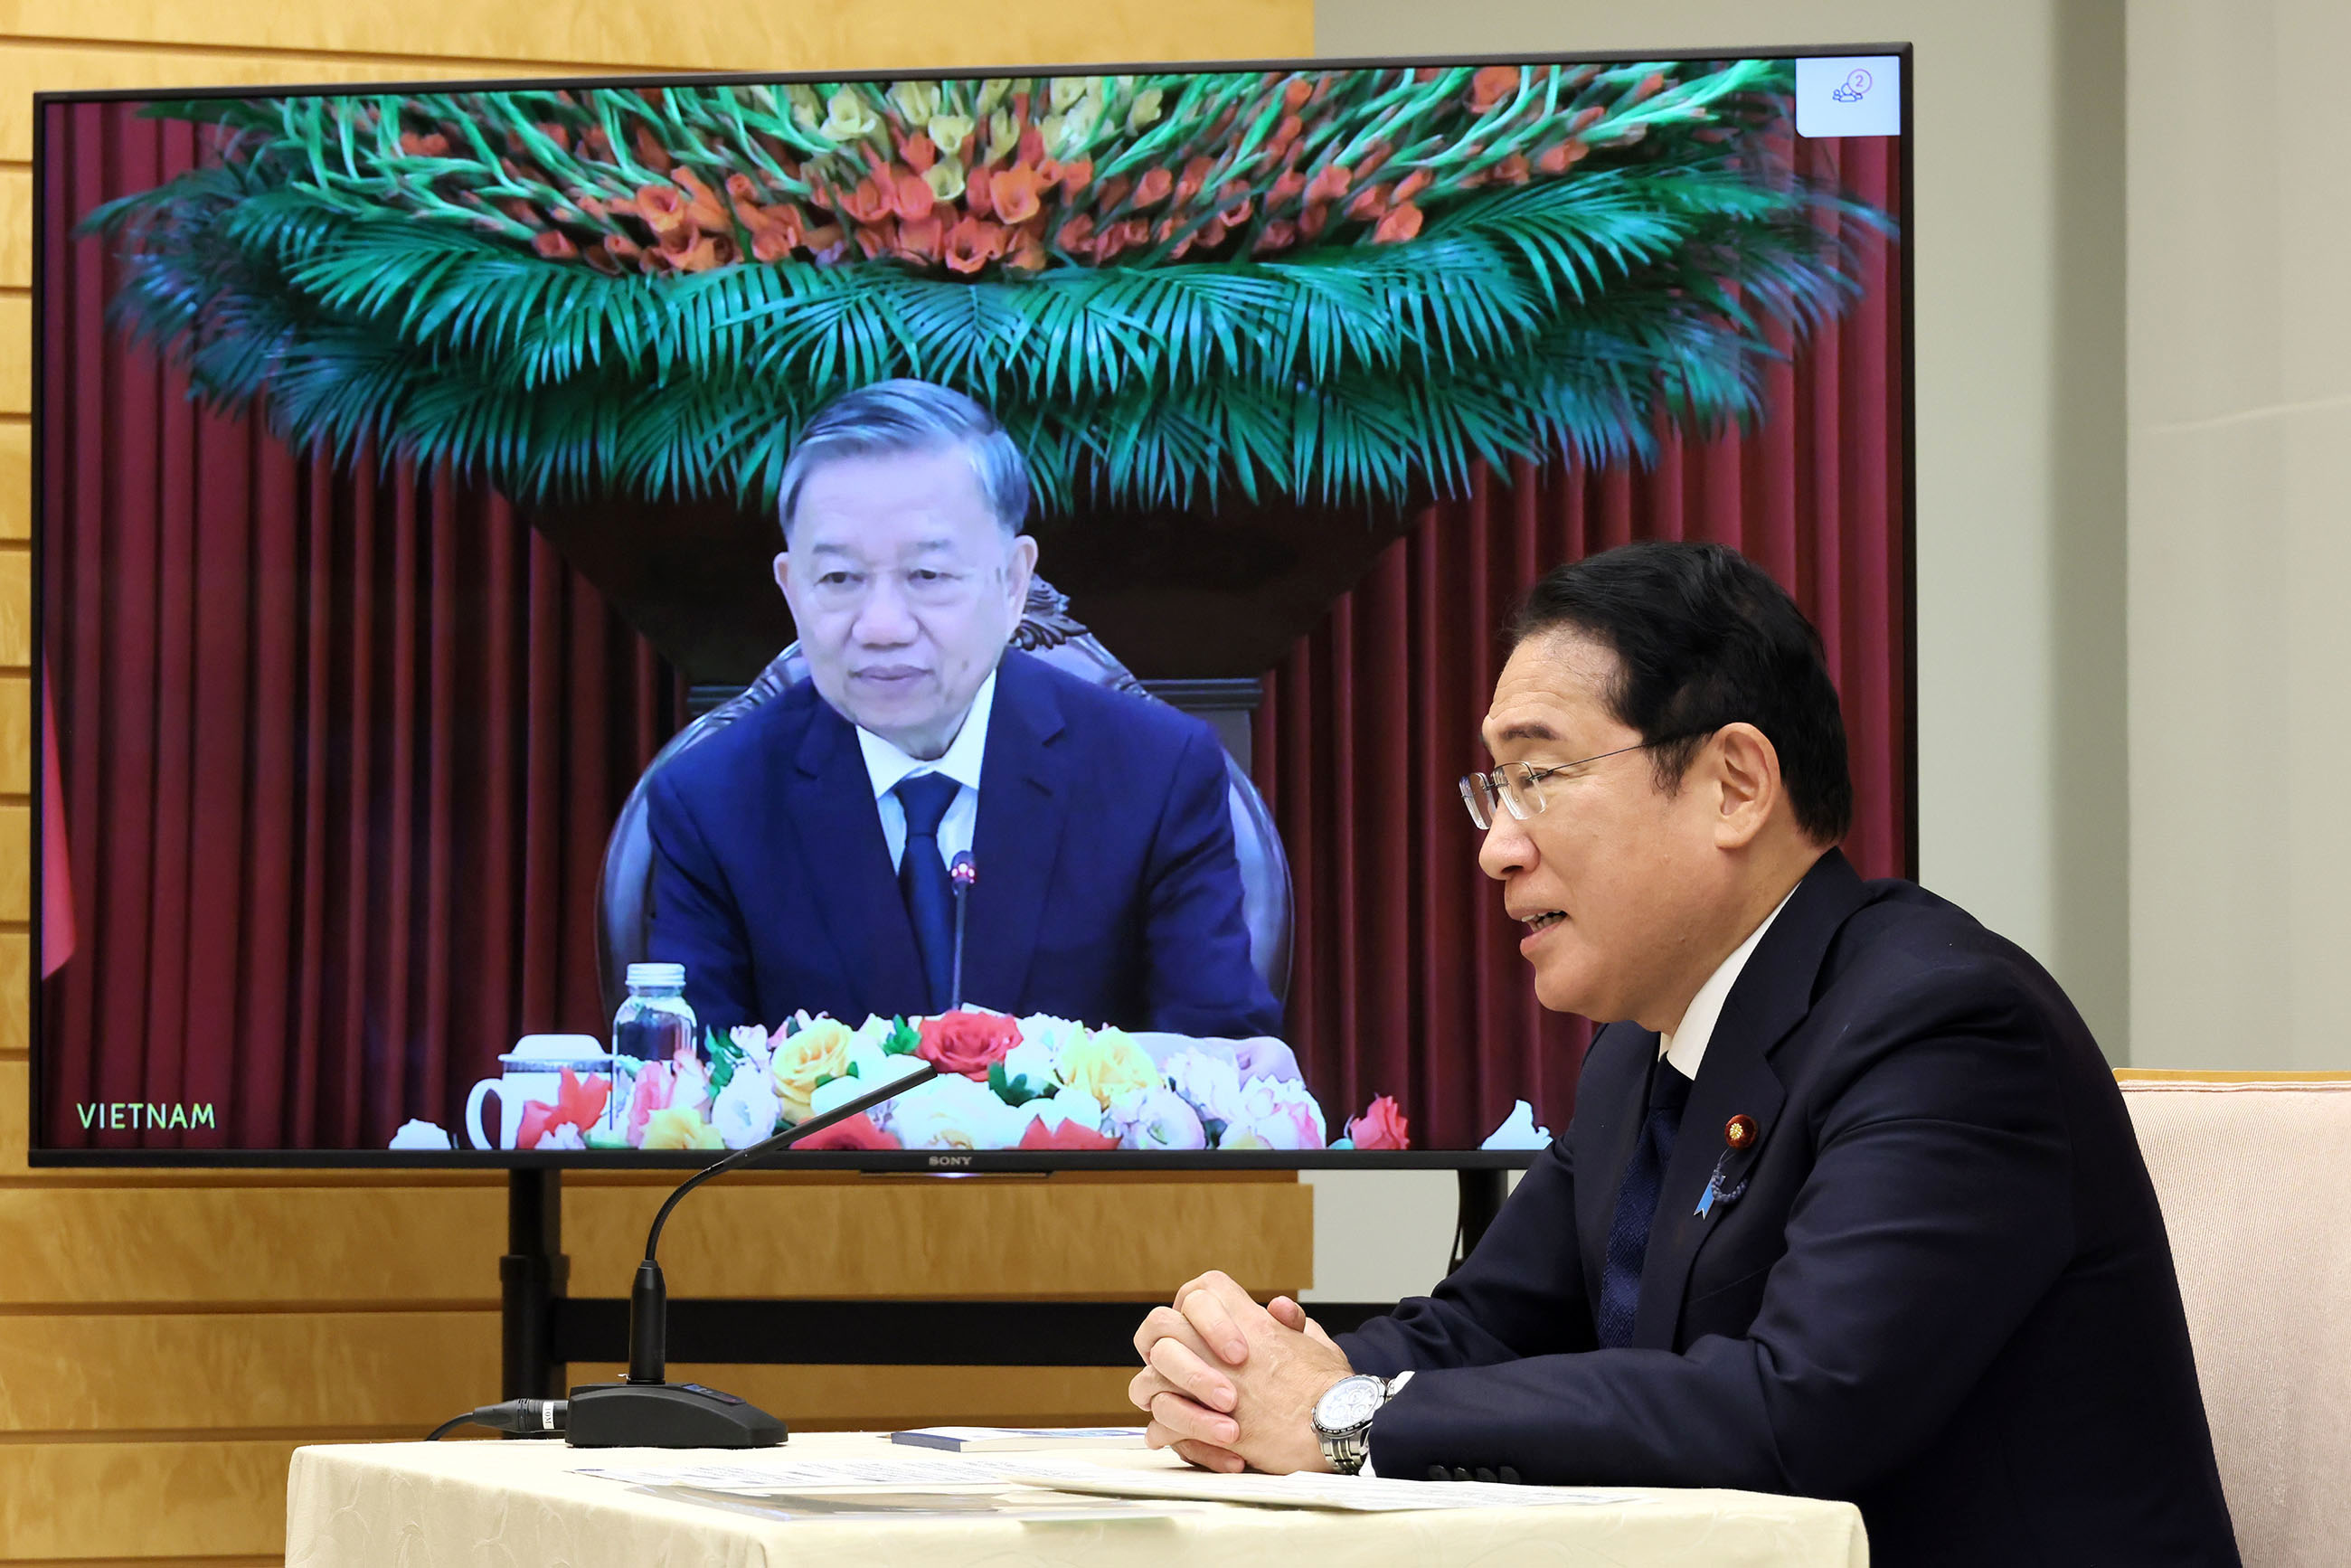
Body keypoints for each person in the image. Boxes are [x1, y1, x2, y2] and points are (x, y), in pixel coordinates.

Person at [1128, 543, 2240, 1566]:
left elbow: (1794, 1408)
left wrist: (1344, 1418)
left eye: (1540, 779)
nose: (1495, 848)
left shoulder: (1940, 1023)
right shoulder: (1638, 1054)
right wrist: (1249, 1381)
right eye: (1494, 791)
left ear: (1733, 784)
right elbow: (1476, 1331)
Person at [644, 380, 1280, 1041]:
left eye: (928, 576)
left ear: (1012, 583)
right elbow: (687, 1103)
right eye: (839, 579)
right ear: (790, 588)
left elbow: (1218, 1073)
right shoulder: (712, 801)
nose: (882, 626)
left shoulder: (1156, 774)